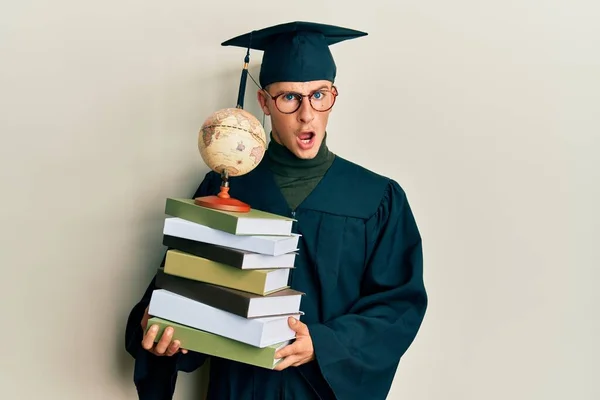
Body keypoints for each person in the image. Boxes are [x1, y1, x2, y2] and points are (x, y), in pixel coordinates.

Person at [124, 21, 428, 400]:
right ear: (264, 103)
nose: (306, 114)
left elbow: (399, 305)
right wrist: (161, 334)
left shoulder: (377, 198)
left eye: (318, 95)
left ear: (333, 96)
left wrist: (324, 343)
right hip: (238, 389)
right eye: (289, 97)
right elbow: (183, 287)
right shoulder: (225, 189)